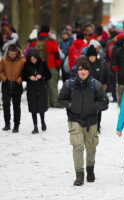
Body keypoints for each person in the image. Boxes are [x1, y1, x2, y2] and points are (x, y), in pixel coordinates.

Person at [57, 58, 109, 186]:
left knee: (91, 147)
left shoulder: (95, 84)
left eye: (85, 69)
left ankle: (90, 169)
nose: (83, 72)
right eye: (80, 69)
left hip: (91, 120)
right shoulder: (69, 84)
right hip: (74, 119)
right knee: (77, 146)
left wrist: (93, 107)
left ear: (89, 71)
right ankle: (79, 175)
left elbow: (105, 102)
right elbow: (60, 99)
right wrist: (69, 104)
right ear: (77, 71)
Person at [22, 48, 52, 134]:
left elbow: (49, 75)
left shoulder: (43, 63)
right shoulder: (26, 64)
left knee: (42, 106)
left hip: (41, 88)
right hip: (31, 89)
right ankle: (35, 126)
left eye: (34, 59)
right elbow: (23, 76)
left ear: (37, 58)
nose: (33, 61)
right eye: (31, 59)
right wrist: (29, 77)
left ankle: (42, 121)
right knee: (33, 107)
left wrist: (41, 76)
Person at [34, 25, 61, 108]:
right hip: (50, 64)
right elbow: (56, 54)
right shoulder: (51, 40)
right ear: (48, 31)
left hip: (38, 66)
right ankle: (55, 102)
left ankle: (43, 102)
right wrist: (58, 65)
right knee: (52, 84)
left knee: (41, 84)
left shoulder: (35, 40)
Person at [0, 44, 25, 132]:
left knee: (16, 106)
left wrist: (18, 81)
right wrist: (4, 79)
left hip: (17, 86)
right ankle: (7, 124)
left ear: (17, 52)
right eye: (10, 54)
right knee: (6, 105)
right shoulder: (3, 60)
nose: (12, 56)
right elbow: (0, 72)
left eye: (13, 54)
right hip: (6, 85)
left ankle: (16, 125)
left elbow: (24, 73)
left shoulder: (22, 61)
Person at [86, 45, 111, 133]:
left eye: (93, 57)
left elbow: (106, 75)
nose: (92, 58)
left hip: (98, 90)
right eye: (90, 57)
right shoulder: (85, 65)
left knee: (98, 108)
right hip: (87, 90)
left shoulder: (101, 64)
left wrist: (106, 84)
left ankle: (97, 125)